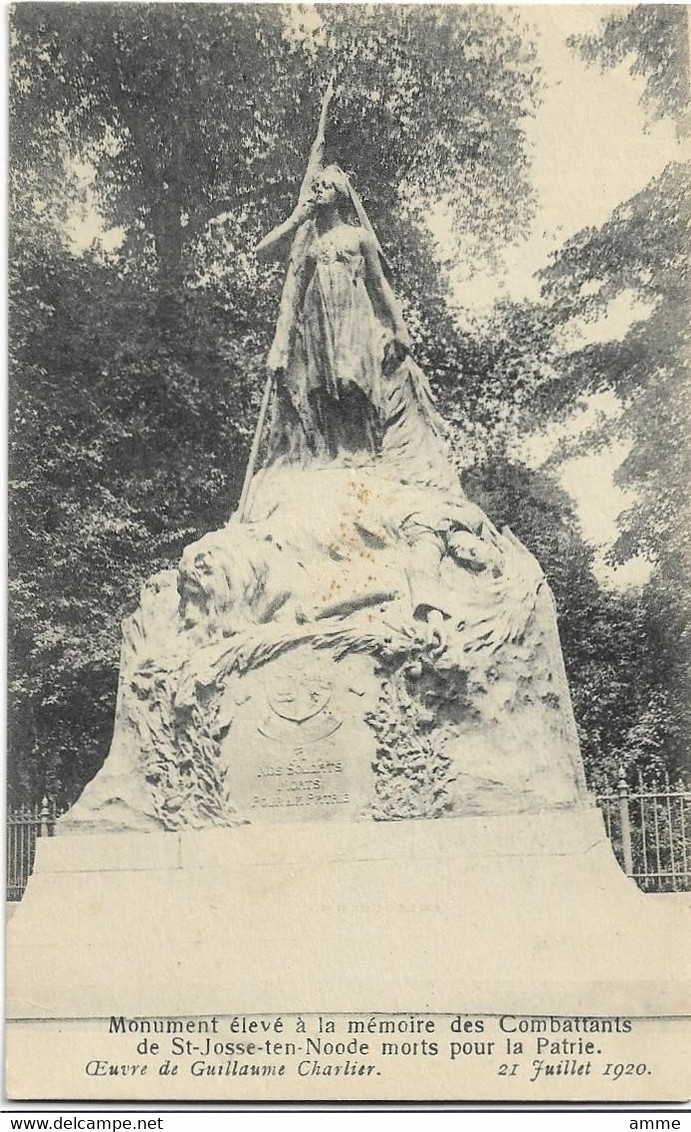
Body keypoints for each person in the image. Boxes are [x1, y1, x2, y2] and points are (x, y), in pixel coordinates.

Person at [256, 79, 412, 465]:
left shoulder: (359, 237)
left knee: (352, 376)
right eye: (318, 186)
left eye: (326, 187)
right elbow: (263, 253)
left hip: (351, 313)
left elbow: (379, 286)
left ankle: (366, 452)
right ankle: (337, 453)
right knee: (323, 383)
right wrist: (296, 219)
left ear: (340, 195)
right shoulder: (308, 244)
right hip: (317, 317)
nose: (318, 191)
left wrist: (400, 327)